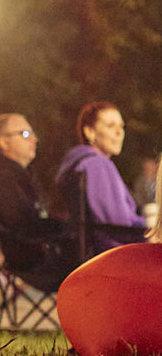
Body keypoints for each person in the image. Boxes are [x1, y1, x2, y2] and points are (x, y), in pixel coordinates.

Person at [0, 113, 76, 291]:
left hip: (35, 256)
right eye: (25, 134)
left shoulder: (17, 176)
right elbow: (22, 225)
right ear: (4, 142)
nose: (34, 139)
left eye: (33, 134)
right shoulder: (3, 179)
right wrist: (69, 228)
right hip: (34, 262)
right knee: (98, 261)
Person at [55, 102, 146, 254]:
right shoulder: (97, 164)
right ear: (90, 132)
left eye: (121, 126)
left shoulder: (81, 163)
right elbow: (119, 225)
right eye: (111, 126)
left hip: (98, 252)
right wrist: (153, 228)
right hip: (112, 255)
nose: (119, 132)